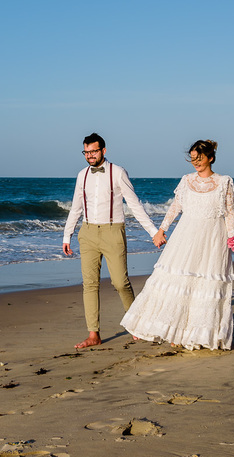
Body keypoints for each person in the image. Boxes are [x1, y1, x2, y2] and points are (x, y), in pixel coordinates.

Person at [120, 139, 234, 350]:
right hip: (186, 237)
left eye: (199, 158)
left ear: (210, 158)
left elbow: (229, 212)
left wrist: (232, 237)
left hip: (213, 239)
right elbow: (176, 206)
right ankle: (174, 331)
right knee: (181, 280)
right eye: (193, 159)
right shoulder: (186, 180)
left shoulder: (224, 182)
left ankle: (198, 334)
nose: (195, 162)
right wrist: (161, 230)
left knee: (204, 283)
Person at [62, 132, 164, 350]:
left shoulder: (118, 173)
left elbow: (135, 205)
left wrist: (153, 232)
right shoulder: (82, 175)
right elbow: (76, 207)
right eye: (86, 152)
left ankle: (135, 323)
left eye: (94, 151)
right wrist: (66, 235)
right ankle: (93, 334)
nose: (90, 156)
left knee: (120, 282)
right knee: (89, 284)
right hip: (87, 233)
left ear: (103, 151)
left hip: (113, 232)